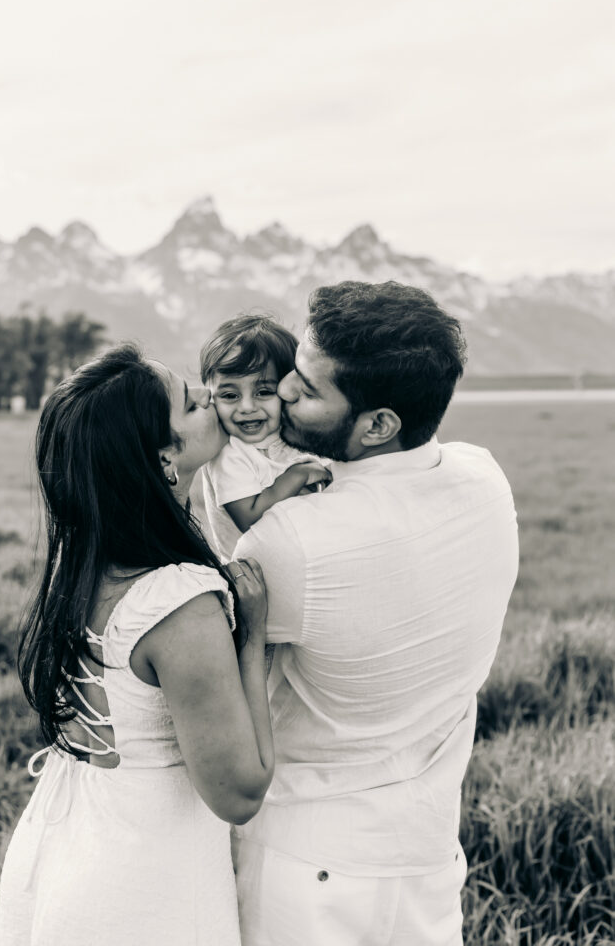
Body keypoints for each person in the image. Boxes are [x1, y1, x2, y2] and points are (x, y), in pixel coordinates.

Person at [231, 281, 519, 946]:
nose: (281, 395)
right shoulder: (484, 480)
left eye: (307, 388)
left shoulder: (288, 541)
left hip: (306, 869)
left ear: (378, 424)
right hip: (425, 861)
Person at [0, 344, 274, 946]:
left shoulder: (85, 559)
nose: (211, 401)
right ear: (164, 459)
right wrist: (250, 638)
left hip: (61, 846)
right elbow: (240, 791)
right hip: (143, 883)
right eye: (194, 403)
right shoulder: (180, 601)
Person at [200, 314, 331, 561]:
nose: (247, 407)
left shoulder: (289, 434)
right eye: (230, 395)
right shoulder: (229, 453)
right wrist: (298, 475)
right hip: (257, 574)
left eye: (263, 392)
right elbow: (249, 519)